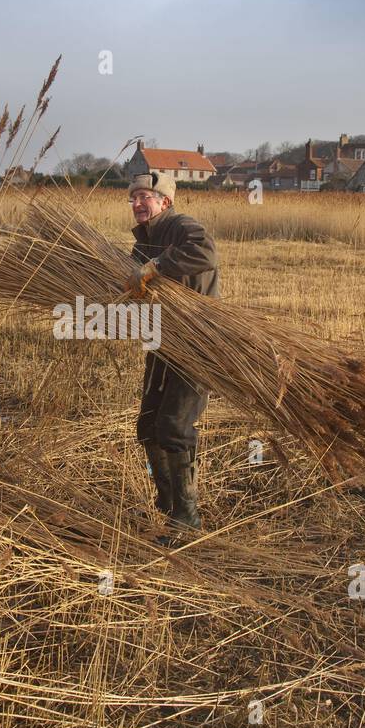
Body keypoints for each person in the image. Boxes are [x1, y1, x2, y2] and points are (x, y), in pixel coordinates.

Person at [123, 170, 220, 535]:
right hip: (164, 340)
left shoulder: (181, 225)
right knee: (148, 427)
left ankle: (187, 516)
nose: (137, 204)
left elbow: (206, 252)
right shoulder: (143, 241)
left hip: (199, 341)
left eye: (144, 197)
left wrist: (156, 266)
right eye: (132, 198)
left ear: (164, 201)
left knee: (174, 426)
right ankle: (167, 501)